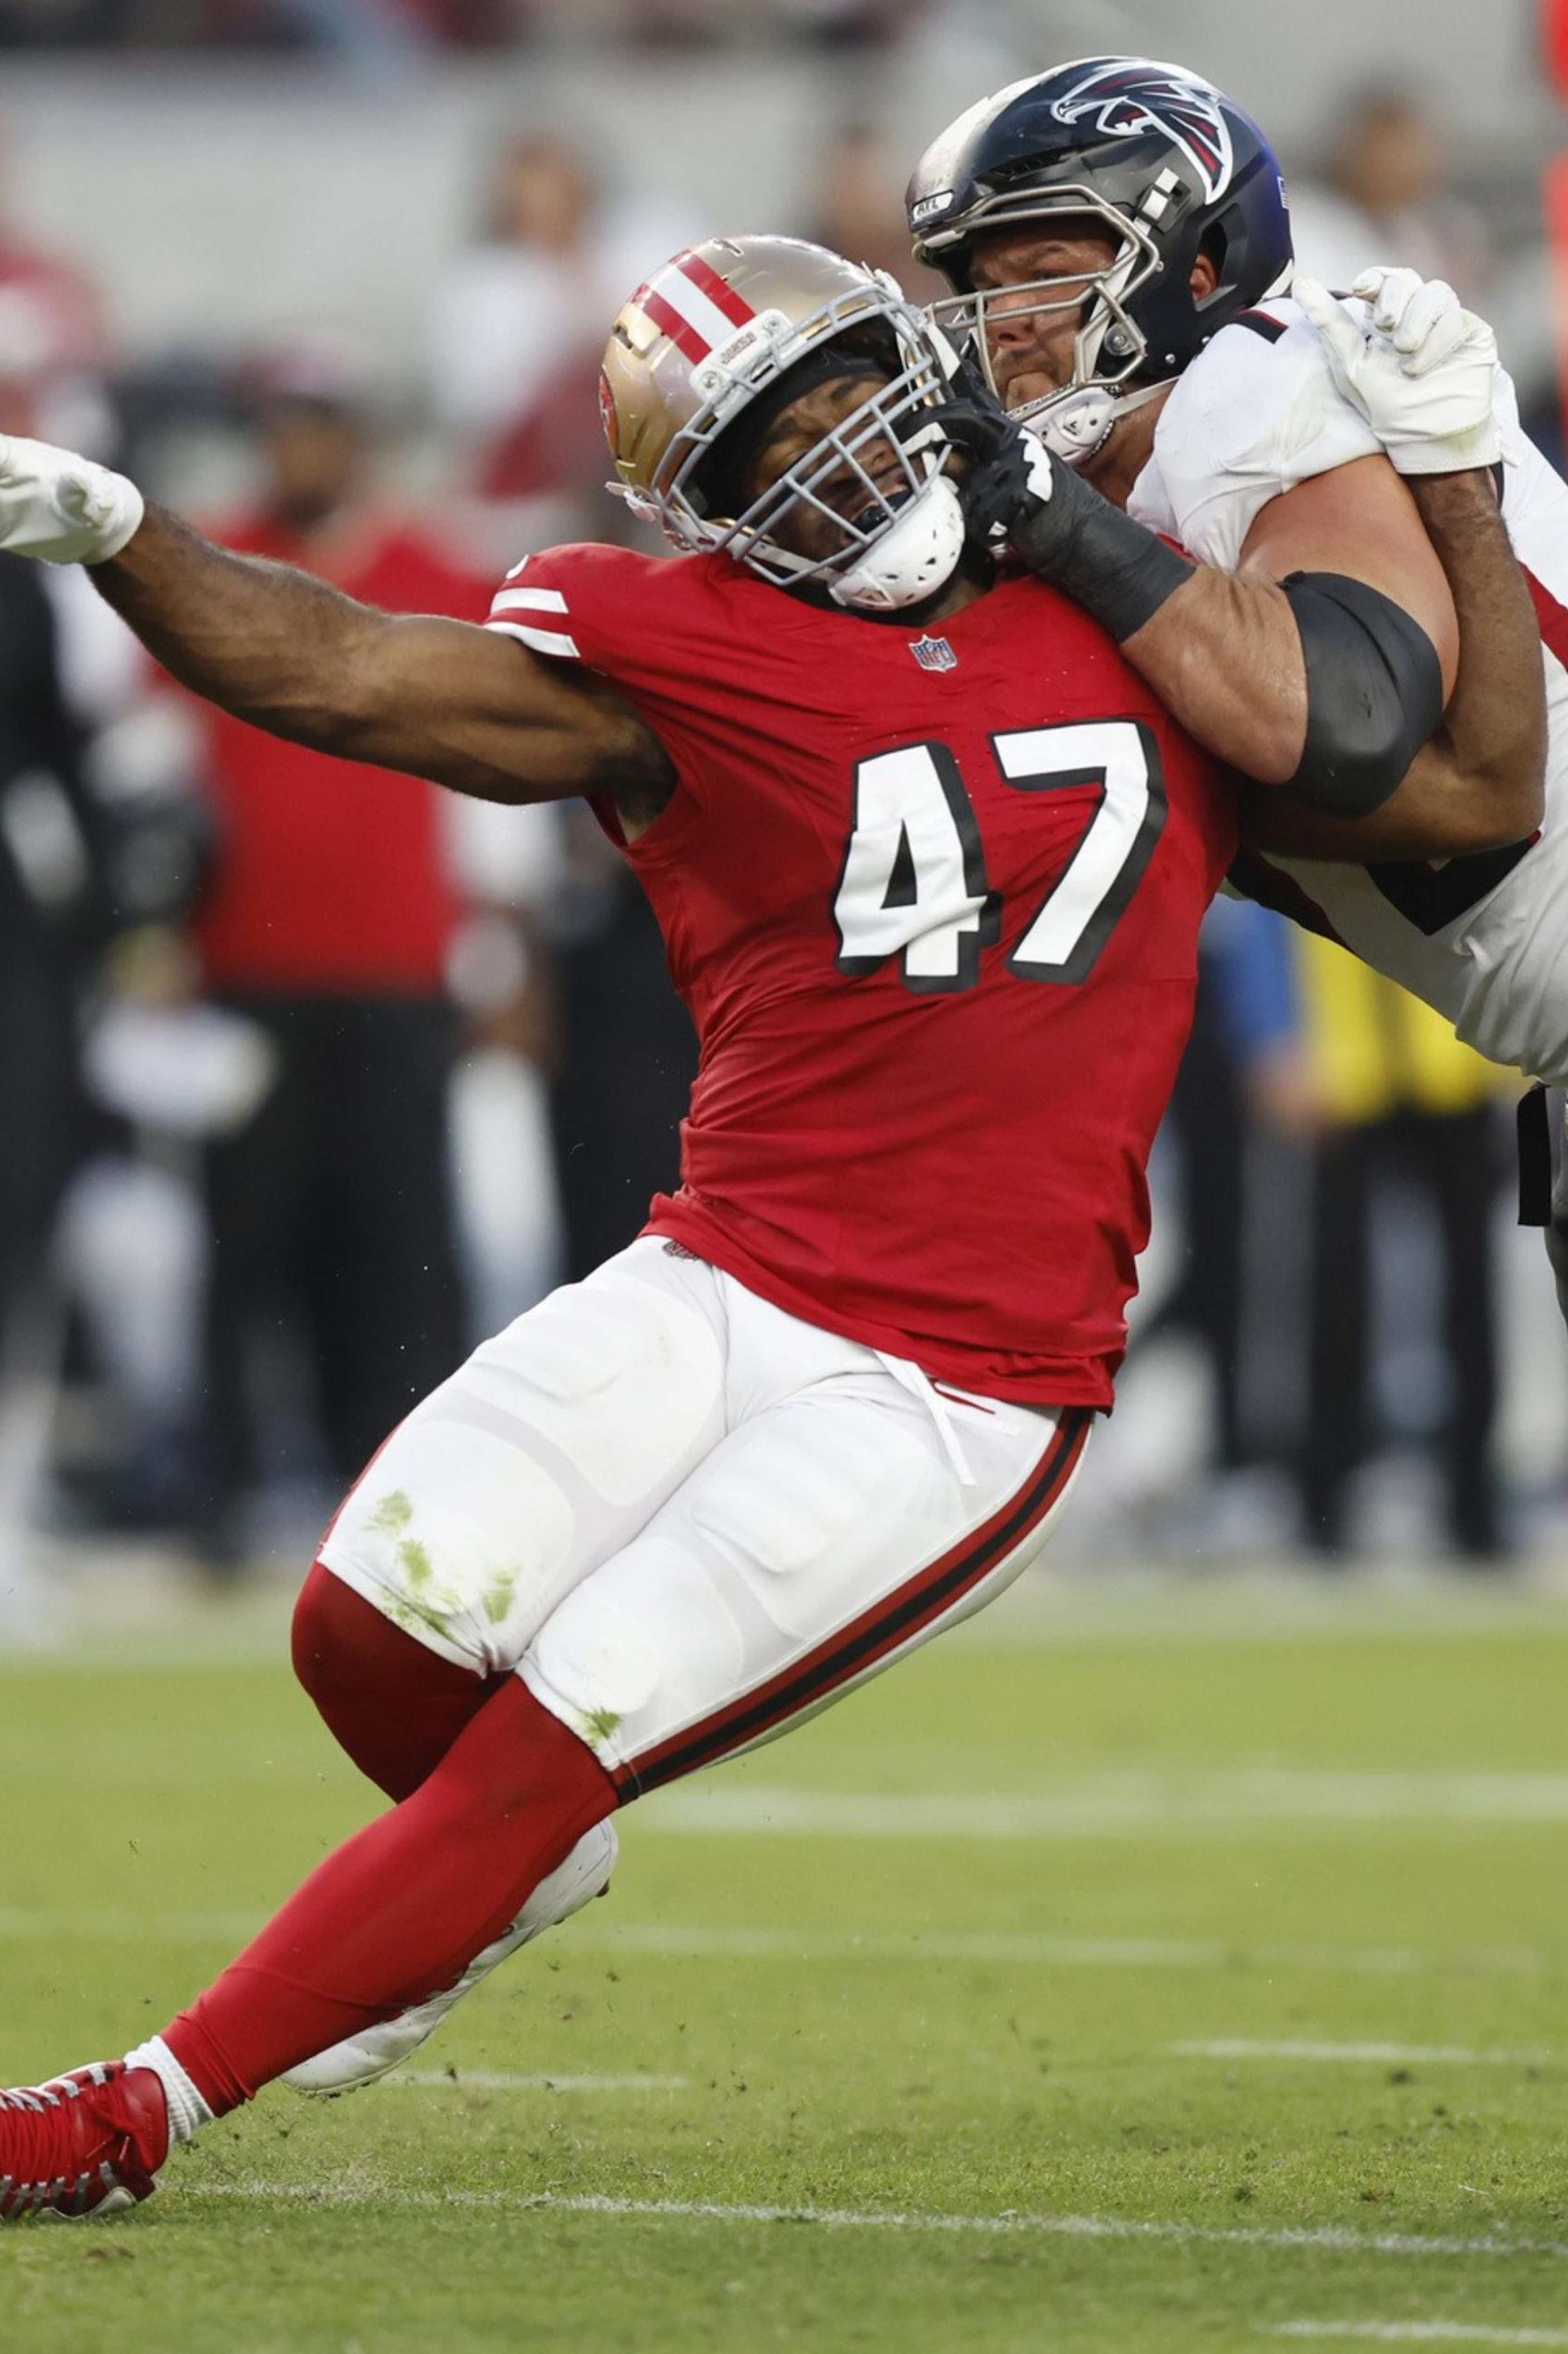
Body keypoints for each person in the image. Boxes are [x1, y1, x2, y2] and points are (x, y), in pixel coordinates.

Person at [0, 234, 1486, 2219]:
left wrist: (1459, 486)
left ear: (923, 366)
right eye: (761, 449)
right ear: (693, 507)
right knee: (361, 1626)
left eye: (847, 397)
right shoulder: (677, 652)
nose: (837, 464)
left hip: (960, 1378)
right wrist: (121, 529)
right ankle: (486, 1883)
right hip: (722, 1273)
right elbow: (343, 671)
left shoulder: (1139, 600)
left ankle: (132, 2112)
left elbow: (1439, 774)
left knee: (553, 1734)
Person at [902, 56, 1568, 1314]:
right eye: (982, 289)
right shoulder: (1138, 474)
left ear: (1191, 270)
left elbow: (1357, 734)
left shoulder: (1243, 395)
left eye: (1042, 272)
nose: (1006, 329)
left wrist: (1057, 539)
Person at [173, 338, 477, 1563]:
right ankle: (224, 1493)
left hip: (398, 968)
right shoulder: (212, 564)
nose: (296, 448)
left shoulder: (433, 568)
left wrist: (497, 952)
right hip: (245, 970)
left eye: (317, 424)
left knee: (398, 1244)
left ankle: (397, 1498)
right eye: (279, 424)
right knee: (245, 1246)